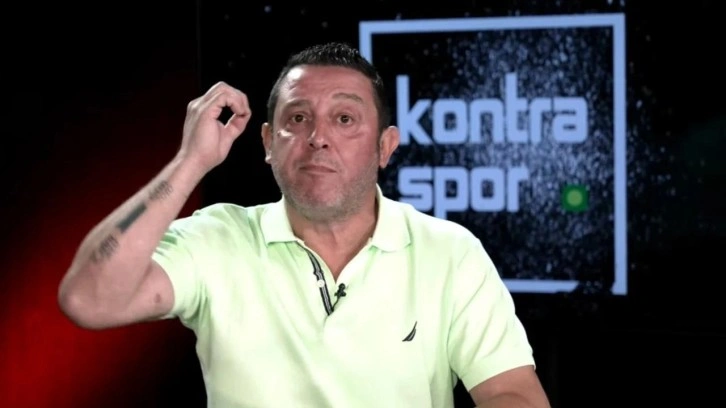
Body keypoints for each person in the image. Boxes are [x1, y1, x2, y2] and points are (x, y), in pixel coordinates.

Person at [58, 41, 550, 408]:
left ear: (385, 147)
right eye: (297, 118)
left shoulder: (449, 251)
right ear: (268, 143)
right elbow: (87, 299)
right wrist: (191, 162)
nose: (317, 137)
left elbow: (514, 394)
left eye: (344, 119)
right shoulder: (216, 238)